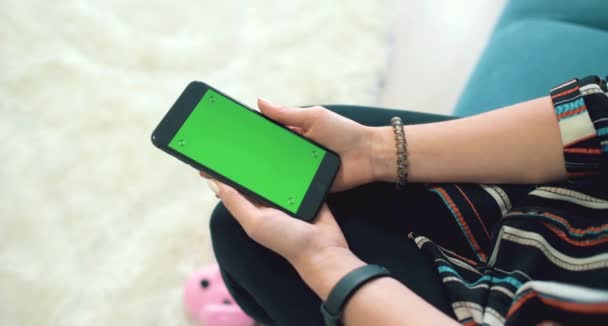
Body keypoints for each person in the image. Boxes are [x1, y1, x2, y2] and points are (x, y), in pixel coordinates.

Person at [204, 75, 608, 325]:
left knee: (248, 240)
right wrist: (374, 150)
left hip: (506, 308)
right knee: (317, 157)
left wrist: (323, 259)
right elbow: (596, 116)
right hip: (573, 201)